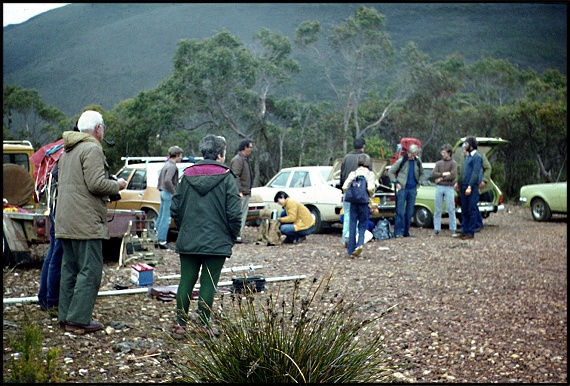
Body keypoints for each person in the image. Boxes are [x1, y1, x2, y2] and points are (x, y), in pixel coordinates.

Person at [55, 110, 127, 333]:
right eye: (102, 127)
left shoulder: (68, 150)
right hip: (85, 221)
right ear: (98, 129)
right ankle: (79, 320)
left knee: (70, 270)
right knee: (90, 270)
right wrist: (118, 185)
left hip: (66, 219)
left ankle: (66, 316)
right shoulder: (92, 148)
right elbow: (96, 184)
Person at [170, 134, 242, 339]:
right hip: (217, 241)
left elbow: (174, 209)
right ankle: (203, 324)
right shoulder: (227, 178)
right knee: (209, 283)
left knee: (186, 280)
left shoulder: (186, 176)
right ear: (220, 154)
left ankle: (180, 325)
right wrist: (232, 235)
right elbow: (235, 214)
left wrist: (184, 228)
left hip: (188, 238)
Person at [342, 154, 377, 258]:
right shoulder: (369, 174)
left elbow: (344, 186)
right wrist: (371, 195)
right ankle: (360, 244)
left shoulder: (353, 173)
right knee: (362, 225)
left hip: (353, 202)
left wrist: (353, 192)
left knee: (352, 225)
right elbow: (370, 188)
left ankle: (350, 250)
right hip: (364, 202)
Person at [388, 143, 424, 238]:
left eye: (415, 154)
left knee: (409, 211)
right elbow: (391, 171)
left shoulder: (418, 162)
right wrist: (396, 183)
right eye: (412, 153)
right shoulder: (402, 161)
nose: (413, 156)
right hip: (402, 188)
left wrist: (418, 183)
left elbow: (422, 173)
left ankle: (406, 231)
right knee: (400, 211)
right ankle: (398, 232)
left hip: (412, 189)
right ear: (408, 152)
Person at [339, 137, 368, 246]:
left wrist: (343, 191)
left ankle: (345, 239)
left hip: (348, 191)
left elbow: (342, 176)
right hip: (361, 192)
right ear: (363, 146)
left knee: (347, 216)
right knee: (360, 219)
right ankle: (356, 240)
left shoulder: (346, 158)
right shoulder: (365, 158)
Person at [453, 137, 483, 240]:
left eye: (466, 144)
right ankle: (464, 231)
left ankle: (470, 232)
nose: (465, 146)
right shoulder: (468, 157)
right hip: (464, 186)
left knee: (471, 210)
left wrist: (470, 186)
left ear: (471, 145)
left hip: (472, 187)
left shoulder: (477, 157)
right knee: (464, 210)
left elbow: (475, 173)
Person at [155, 145, 184, 249]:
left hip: (162, 191)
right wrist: (174, 192)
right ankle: (162, 240)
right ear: (176, 155)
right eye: (180, 155)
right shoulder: (172, 166)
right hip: (167, 193)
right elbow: (168, 180)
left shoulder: (166, 164)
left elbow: (161, 178)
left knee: (161, 215)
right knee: (166, 218)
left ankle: (156, 238)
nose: (181, 157)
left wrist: (160, 187)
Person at [230, 138, 253, 243]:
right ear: (245, 147)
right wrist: (239, 191)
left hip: (245, 192)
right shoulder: (238, 160)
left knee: (243, 214)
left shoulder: (244, 160)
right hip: (241, 193)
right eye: (250, 147)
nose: (251, 149)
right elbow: (235, 176)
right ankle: (236, 234)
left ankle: (238, 233)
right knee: (239, 214)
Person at [432, 144, 458, 237]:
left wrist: (441, 178)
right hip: (439, 187)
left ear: (449, 153)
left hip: (449, 187)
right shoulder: (438, 163)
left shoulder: (453, 163)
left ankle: (453, 229)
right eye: (442, 152)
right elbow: (434, 174)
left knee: (451, 209)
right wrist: (443, 174)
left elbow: (453, 175)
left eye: (444, 152)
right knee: (437, 209)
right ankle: (437, 229)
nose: (442, 154)